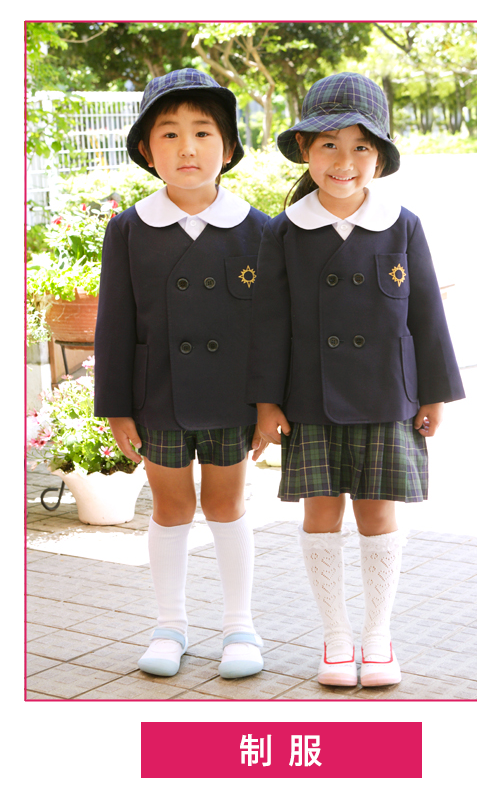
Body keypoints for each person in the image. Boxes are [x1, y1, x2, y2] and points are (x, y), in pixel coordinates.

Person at [246, 72, 465, 688]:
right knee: (321, 514)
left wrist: (434, 393)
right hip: (310, 400)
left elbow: (426, 314)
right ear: (304, 149)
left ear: (380, 157)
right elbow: (268, 324)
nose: (344, 162)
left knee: (377, 516)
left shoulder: (403, 225)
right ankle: (336, 637)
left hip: (387, 396)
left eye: (361, 147)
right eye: (329, 145)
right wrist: (266, 403)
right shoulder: (284, 231)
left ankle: (377, 636)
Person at [94, 69, 269, 679]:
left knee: (226, 504)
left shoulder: (258, 230)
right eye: (169, 134)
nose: (187, 148)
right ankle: (170, 625)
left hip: (232, 399)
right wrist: (117, 407)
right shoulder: (128, 228)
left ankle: (240, 626)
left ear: (229, 147)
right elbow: (114, 323)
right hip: (158, 397)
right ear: (147, 150)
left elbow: (273, 327)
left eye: (203, 132)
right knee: (170, 508)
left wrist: (269, 402)